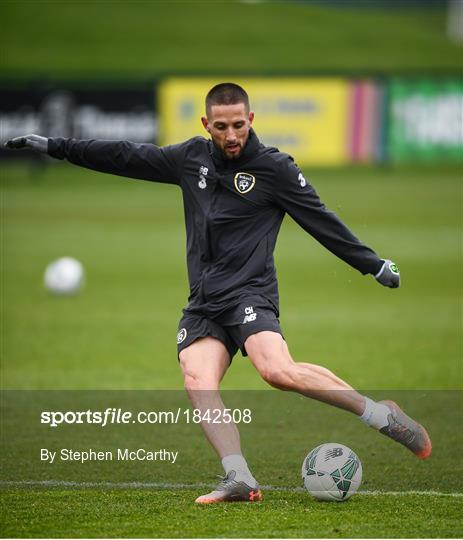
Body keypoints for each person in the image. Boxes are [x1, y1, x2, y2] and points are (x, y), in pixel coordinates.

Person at [6, 82, 431, 504]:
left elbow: (321, 220)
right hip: (204, 303)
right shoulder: (190, 158)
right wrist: (56, 147)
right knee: (198, 380)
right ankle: (239, 477)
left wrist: (372, 264)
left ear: (252, 121)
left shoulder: (275, 168)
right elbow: (124, 155)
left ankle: (381, 415)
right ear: (207, 123)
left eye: (239, 125)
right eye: (222, 126)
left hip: (250, 292)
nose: (231, 136)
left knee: (276, 371)